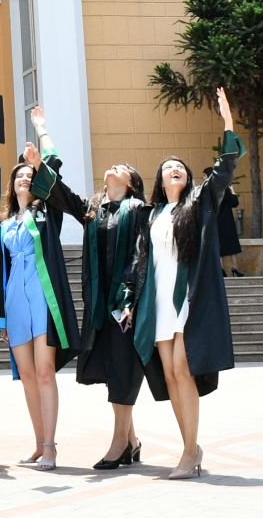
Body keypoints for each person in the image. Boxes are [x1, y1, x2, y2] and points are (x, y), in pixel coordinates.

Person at [123, 87, 241, 480]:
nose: (174, 169)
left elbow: (224, 168)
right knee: (171, 375)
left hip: (188, 300)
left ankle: (189, 452)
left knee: (182, 368)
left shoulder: (200, 202)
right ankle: (190, 446)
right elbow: (140, 261)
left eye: (180, 167)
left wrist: (227, 121)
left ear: (187, 177)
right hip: (158, 302)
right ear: (160, 178)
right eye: (168, 167)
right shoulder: (151, 214)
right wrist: (128, 301)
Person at [26, 131, 163, 470]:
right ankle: (132, 440)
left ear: (131, 183)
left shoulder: (138, 210)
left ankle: (119, 445)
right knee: (114, 368)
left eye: (122, 167)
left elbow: (139, 255)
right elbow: (62, 195)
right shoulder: (93, 210)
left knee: (123, 368)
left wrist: (127, 299)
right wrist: (38, 165)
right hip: (100, 304)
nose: (113, 166)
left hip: (125, 303)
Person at [0, 108, 80, 472]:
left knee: (45, 371)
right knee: (26, 375)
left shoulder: (47, 212)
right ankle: (38, 443)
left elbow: (54, 165)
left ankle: (50, 445)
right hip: (16, 301)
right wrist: (0, 318)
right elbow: (1, 273)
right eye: (20, 176)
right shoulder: (4, 225)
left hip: (43, 297)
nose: (25, 179)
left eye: (30, 175)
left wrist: (41, 131)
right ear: (12, 185)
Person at [208, 166, 243, 277]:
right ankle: (235, 267)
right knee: (232, 244)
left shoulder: (210, 190)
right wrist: (231, 188)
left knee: (219, 243)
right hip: (227, 221)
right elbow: (235, 203)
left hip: (214, 221)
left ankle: (221, 268)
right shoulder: (224, 189)